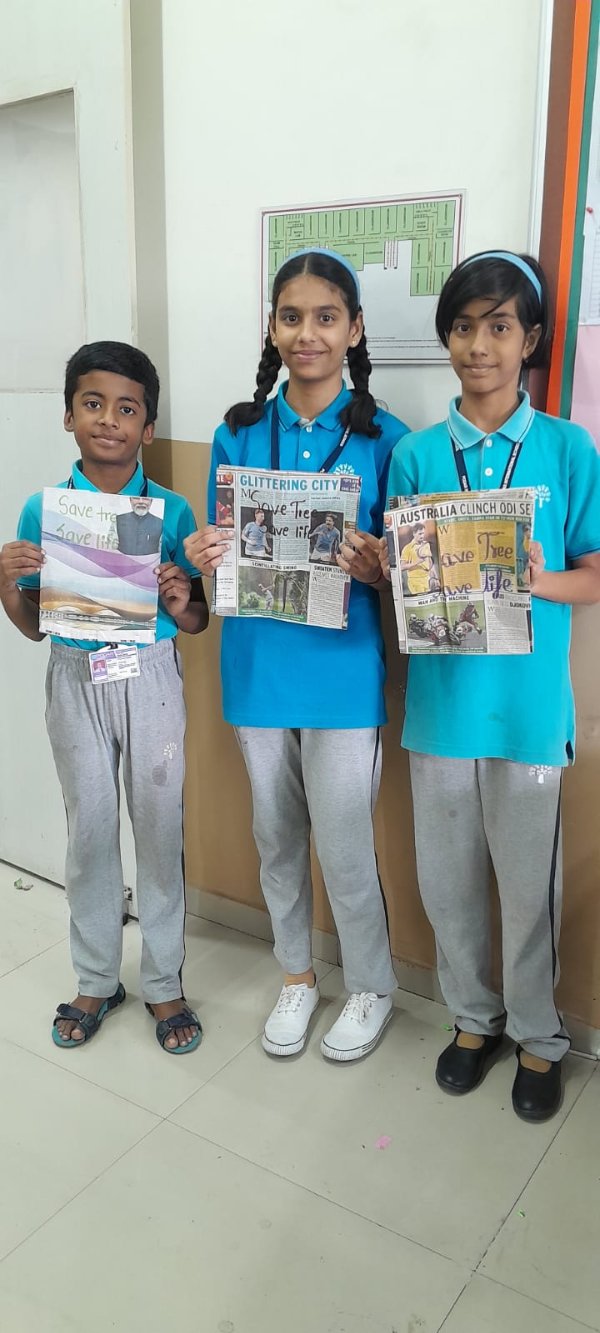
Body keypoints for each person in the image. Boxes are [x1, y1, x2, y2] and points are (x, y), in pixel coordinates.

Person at [381, 251, 600, 1120]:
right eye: (465, 327)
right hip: (441, 708)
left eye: (499, 326)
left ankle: (539, 1035)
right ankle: (474, 1019)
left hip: (528, 715)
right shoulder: (416, 454)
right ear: (448, 338)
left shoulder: (567, 448)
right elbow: (400, 581)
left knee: (528, 887)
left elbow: (595, 573)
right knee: (448, 883)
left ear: (530, 339)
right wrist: (382, 566)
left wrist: (542, 580)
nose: (480, 345)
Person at [185, 248, 409, 1061]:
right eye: (291, 316)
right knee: (276, 835)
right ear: (272, 328)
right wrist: (204, 553)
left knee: (344, 844)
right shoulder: (236, 432)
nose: (307, 333)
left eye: (325, 317)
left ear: (354, 328)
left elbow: (408, 577)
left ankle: (372, 984)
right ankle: (296, 975)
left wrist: (379, 569)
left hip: (343, 674)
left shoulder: (388, 439)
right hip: (256, 667)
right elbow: (215, 562)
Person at [0, 341, 209, 1054]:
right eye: (93, 404)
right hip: (73, 677)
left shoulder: (171, 510)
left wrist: (179, 597)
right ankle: (96, 976)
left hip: (149, 679)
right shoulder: (43, 510)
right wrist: (7, 583)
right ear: (69, 415)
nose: (109, 420)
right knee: (89, 830)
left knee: (158, 829)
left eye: (127, 409)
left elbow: (195, 621)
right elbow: (33, 625)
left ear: (148, 427)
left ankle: (163, 981)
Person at [400, 522, 439, 593]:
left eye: (423, 533)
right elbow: (402, 567)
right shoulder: (407, 548)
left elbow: (430, 563)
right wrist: (417, 562)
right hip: (415, 580)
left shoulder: (426, 545)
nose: (422, 536)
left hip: (426, 579)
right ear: (414, 533)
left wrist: (436, 578)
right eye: (420, 534)